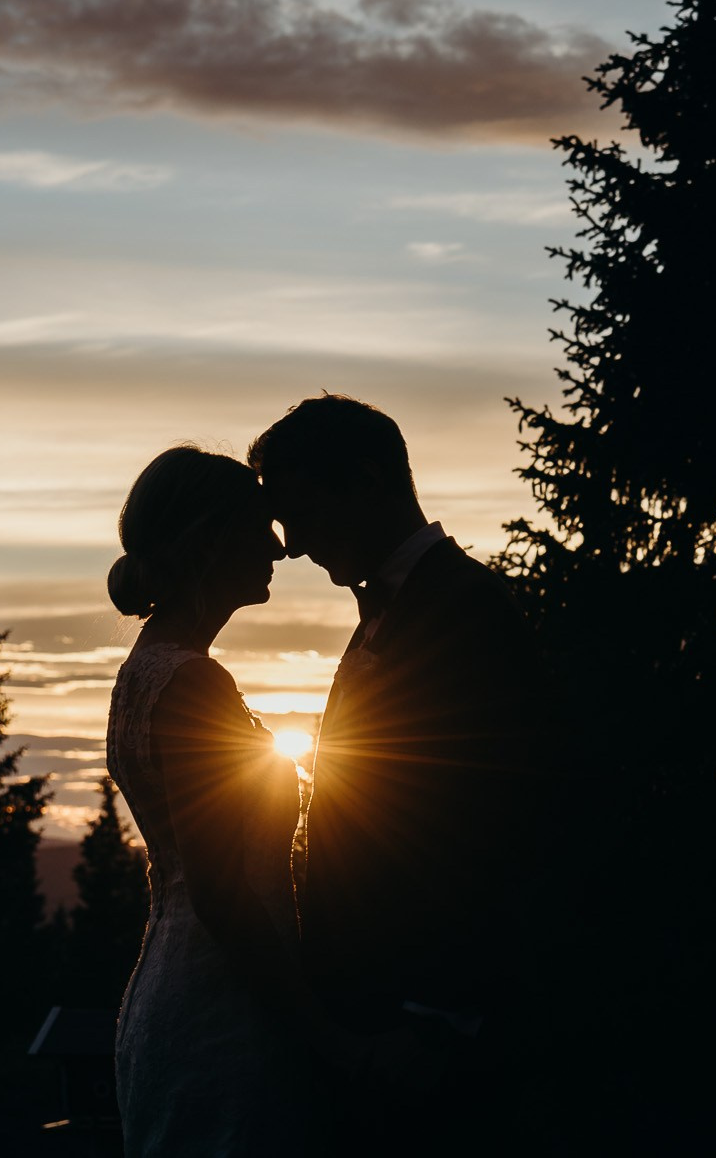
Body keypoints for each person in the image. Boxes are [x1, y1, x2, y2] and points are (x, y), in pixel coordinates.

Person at [248, 395, 562, 1135]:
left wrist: (435, 1018)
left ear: (364, 482)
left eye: (300, 511)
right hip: (373, 1024)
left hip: (430, 1041)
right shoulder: (385, 613)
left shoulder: (470, 610)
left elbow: (501, 821)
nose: (289, 545)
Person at [104, 446, 396, 1156]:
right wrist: (324, 1038)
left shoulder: (143, 670)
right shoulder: (193, 684)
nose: (279, 546)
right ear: (209, 541)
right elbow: (221, 893)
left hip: (181, 987)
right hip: (225, 1008)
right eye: (258, 526)